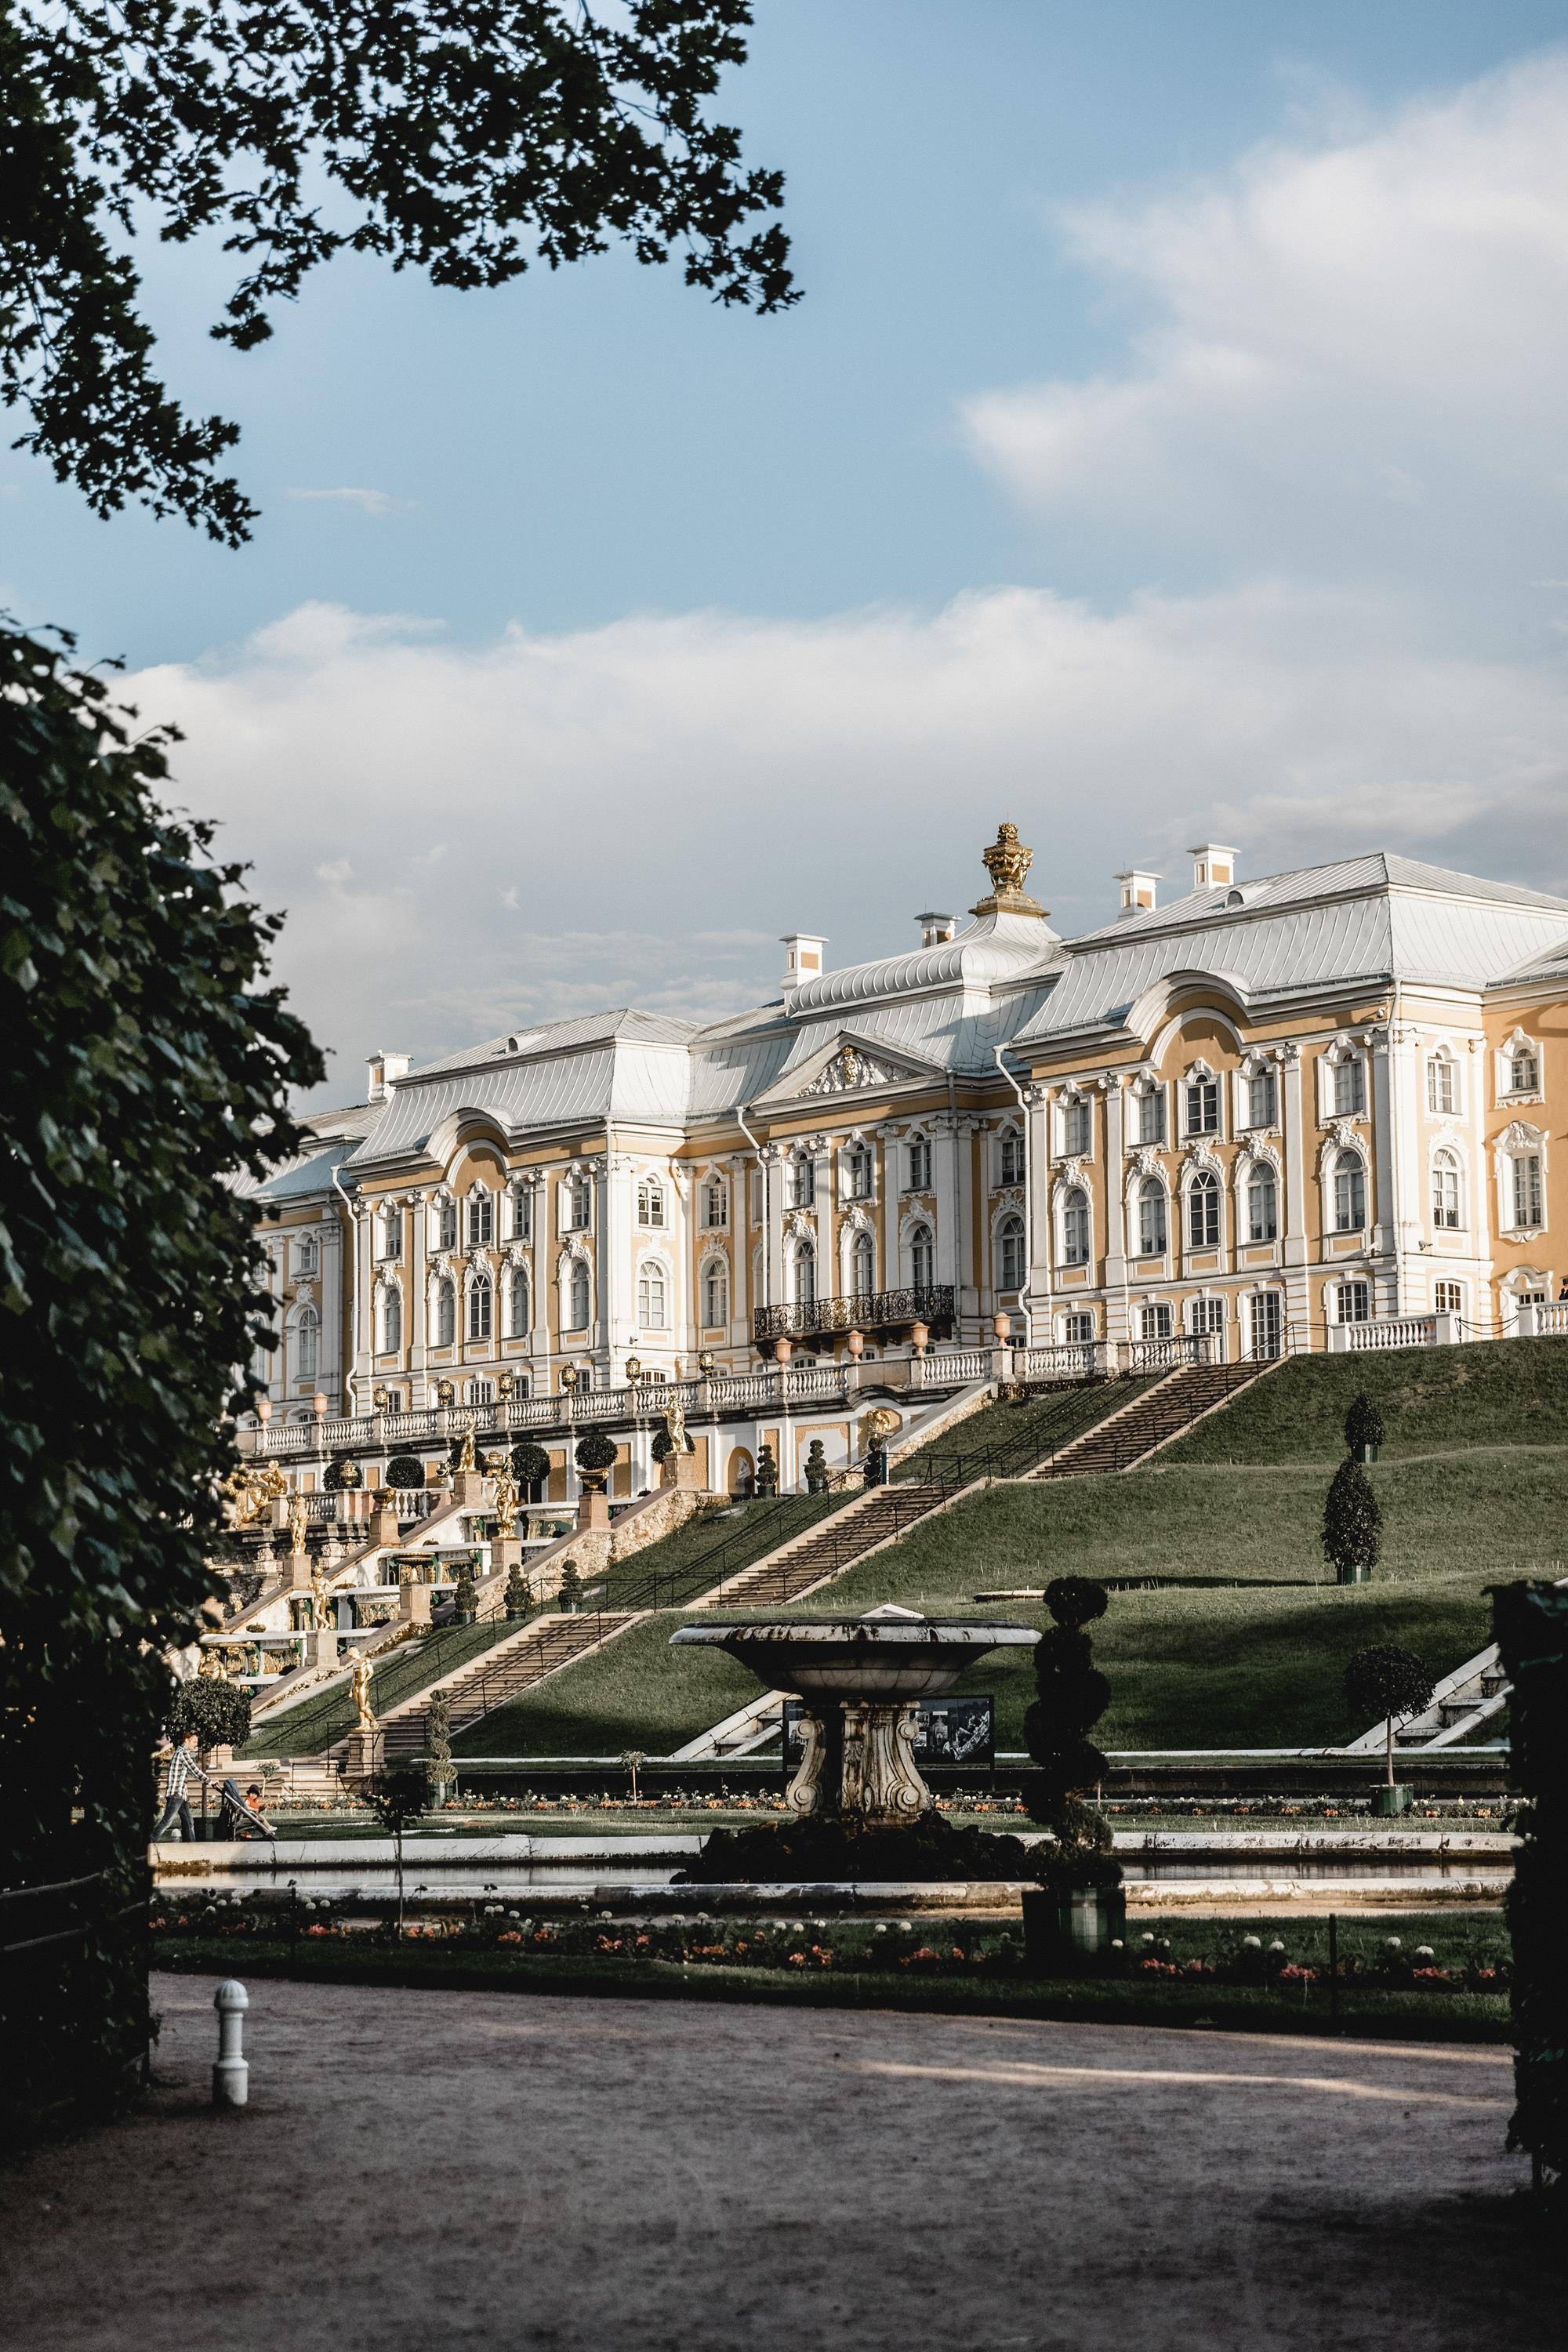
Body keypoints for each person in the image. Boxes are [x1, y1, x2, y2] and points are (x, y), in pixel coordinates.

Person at [151, 1732, 209, 1842]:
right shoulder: (182, 1753)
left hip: (181, 1795)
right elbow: (194, 1770)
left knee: (189, 1822)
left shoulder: (181, 1752)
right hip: (176, 1794)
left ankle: (191, 1847)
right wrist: (209, 1781)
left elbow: (190, 1772)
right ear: (187, 1740)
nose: (196, 1744)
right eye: (194, 1742)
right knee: (167, 1821)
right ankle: (150, 1842)